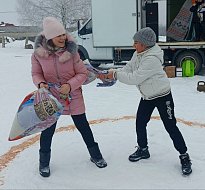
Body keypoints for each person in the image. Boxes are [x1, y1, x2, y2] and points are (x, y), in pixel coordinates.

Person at [98, 27, 192, 175]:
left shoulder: (152, 59)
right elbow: (129, 68)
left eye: (136, 42)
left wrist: (115, 75)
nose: (133, 45)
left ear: (145, 44)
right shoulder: (139, 53)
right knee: (140, 122)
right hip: (148, 96)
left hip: (162, 96)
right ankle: (143, 149)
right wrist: (112, 73)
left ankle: (184, 156)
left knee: (170, 126)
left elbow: (135, 78)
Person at [31, 17, 107, 177]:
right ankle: (43, 162)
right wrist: (41, 84)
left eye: (63, 34)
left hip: (73, 95)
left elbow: (82, 73)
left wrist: (70, 85)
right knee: (48, 130)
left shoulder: (72, 52)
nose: (62, 38)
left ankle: (96, 155)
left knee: (83, 126)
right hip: (51, 97)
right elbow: (36, 73)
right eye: (58, 35)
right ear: (49, 37)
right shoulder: (38, 55)